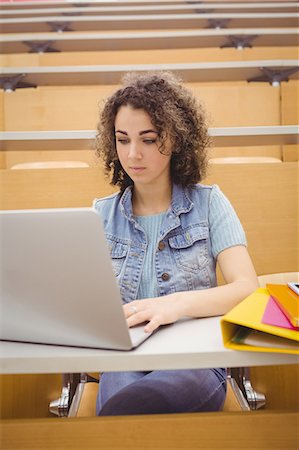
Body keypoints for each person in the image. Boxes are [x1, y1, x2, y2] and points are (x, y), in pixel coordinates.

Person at [93, 71, 258, 416]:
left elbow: (246, 289)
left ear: (177, 138)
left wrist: (176, 305)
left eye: (149, 140)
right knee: (120, 402)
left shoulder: (210, 203)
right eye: (123, 140)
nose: (133, 153)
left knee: (128, 409)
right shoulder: (100, 215)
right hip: (125, 358)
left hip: (196, 360)